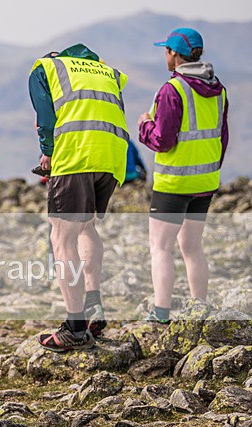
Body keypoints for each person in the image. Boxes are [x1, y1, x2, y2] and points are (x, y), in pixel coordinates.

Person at [29, 43, 129, 351]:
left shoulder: (45, 69)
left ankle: (74, 326)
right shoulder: (106, 71)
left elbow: (46, 119)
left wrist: (47, 153)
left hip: (75, 157)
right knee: (87, 227)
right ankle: (93, 308)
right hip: (112, 156)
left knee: (62, 236)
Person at [138, 28, 229, 323]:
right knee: (192, 247)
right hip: (205, 182)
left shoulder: (172, 90)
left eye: (166, 50)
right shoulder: (220, 90)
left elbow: (163, 140)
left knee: (160, 247)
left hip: (174, 182)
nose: (164, 54)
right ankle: (198, 308)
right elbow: (222, 138)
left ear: (175, 55)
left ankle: (161, 313)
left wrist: (144, 126)